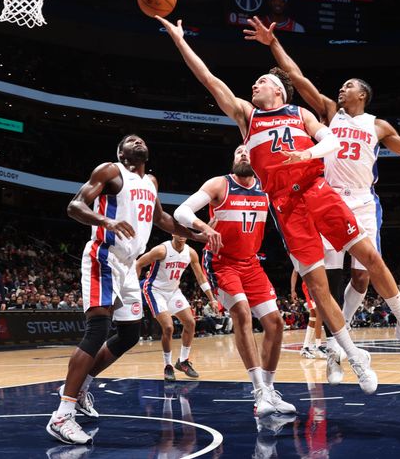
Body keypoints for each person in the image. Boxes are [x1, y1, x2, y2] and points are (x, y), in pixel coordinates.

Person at [160, 16, 400, 394]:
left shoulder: (301, 114)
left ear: (277, 90)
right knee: (319, 284)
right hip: (287, 208)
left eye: (261, 82)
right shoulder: (248, 117)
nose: (254, 85)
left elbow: (330, 141)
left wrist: (307, 153)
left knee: (366, 257)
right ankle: (351, 356)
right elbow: (209, 79)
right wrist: (180, 41)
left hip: (318, 190)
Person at [244, 16, 400, 354]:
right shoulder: (329, 112)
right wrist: (273, 44)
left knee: (363, 275)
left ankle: (398, 327)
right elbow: (297, 77)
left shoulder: (378, 126)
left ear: (362, 94)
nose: (341, 89)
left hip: (363, 202)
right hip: (327, 198)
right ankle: (336, 343)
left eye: (348, 85)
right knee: (330, 279)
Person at [47, 134, 211, 445]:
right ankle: (61, 415)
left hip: (128, 265)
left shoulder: (151, 181)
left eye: (140, 139)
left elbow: (162, 218)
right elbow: (75, 205)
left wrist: (198, 234)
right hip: (103, 256)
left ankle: (81, 387)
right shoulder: (110, 171)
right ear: (121, 153)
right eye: (129, 140)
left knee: (129, 334)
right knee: (97, 330)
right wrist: (104, 221)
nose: (137, 140)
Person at [173, 145, 296, 416]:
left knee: (275, 324)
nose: (243, 155)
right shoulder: (220, 184)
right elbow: (181, 212)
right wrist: (204, 227)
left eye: (248, 152)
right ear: (233, 160)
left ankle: (270, 390)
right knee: (241, 311)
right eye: (239, 152)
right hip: (222, 262)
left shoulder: (266, 187)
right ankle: (258, 392)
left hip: (251, 264)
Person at [135, 234, 217, 381]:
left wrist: (212, 298)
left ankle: (183, 361)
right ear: (172, 233)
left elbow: (200, 277)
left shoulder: (190, 253)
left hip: (173, 291)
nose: (181, 235)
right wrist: (132, 289)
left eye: (184, 231)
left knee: (191, 323)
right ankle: (168, 366)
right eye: (178, 231)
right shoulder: (161, 250)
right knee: (168, 328)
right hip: (155, 290)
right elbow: (138, 263)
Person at [290, 270, 325, 359]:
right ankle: (318, 346)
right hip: (309, 285)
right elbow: (295, 272)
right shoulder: (299, 257)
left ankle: (305, 347)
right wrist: (293, 290)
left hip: (317, 283)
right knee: (319, 313)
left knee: (313, 316)